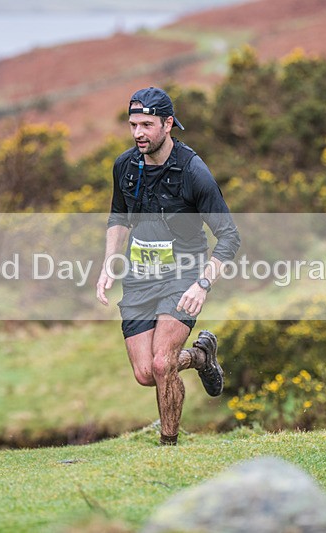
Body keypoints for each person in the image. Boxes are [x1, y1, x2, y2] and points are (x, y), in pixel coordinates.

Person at [96, 86, 240, 446]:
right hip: (140, 278)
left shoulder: (194, 173)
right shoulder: (125, 166)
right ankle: (202, 356)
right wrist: (110, 262)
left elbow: (229, 237)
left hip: (184, 274)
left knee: (163, 364)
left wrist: (202, 284)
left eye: (147, 124)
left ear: (168, 124)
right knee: (146, 374)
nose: (138, 133)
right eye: (133, 125)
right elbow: (118, 216)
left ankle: (168, 446)